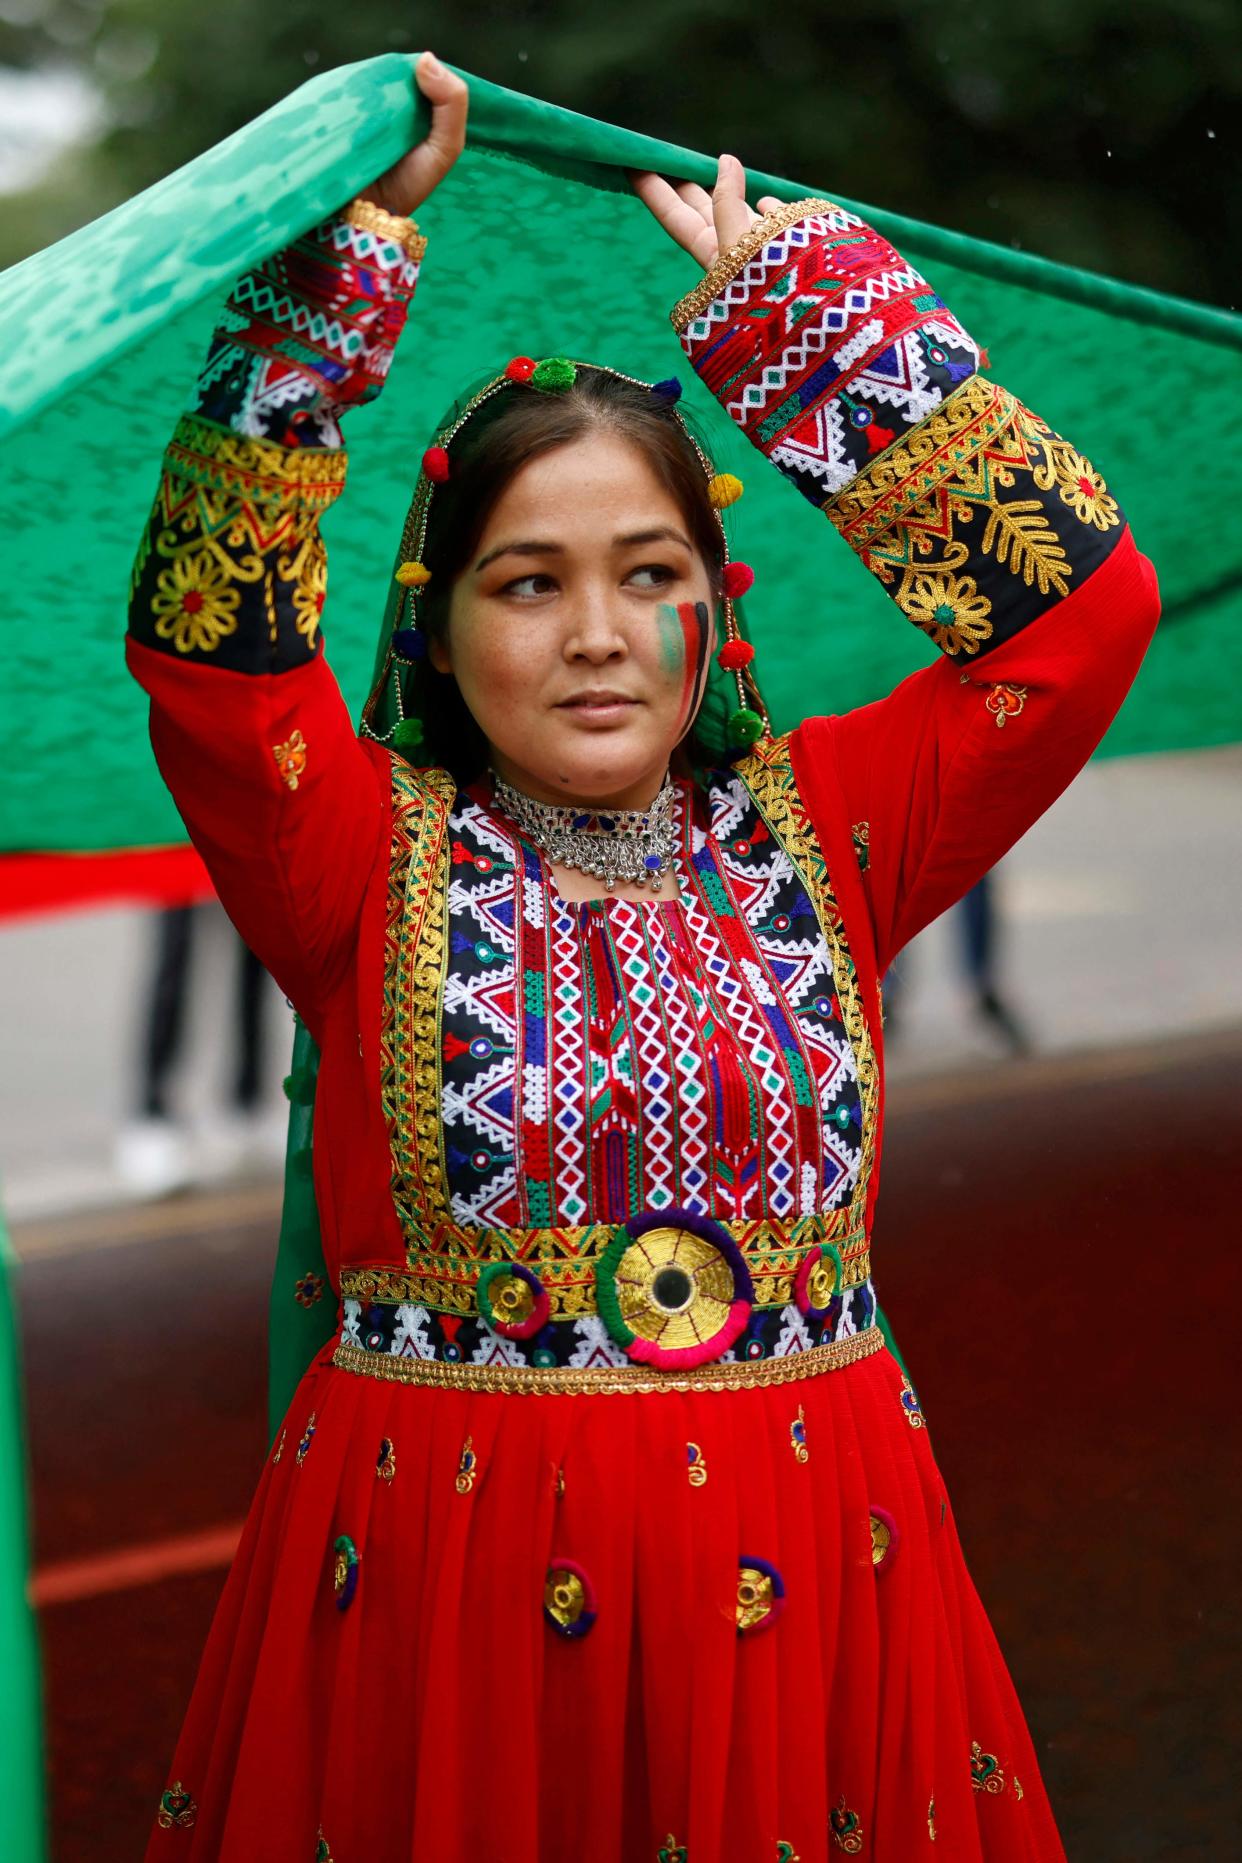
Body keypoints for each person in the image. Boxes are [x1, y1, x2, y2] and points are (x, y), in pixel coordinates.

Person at [128, 51, 1159, 1861]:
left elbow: (1078, 624)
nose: (600, 636)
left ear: (715, 599)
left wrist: (816, 332)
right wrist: (330, 292)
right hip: (443, 1570)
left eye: (651, 571)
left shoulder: (832, 824)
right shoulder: (358, 858)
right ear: (437, 633)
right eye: (526, 582)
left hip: (819, 1554)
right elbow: (219, 671)